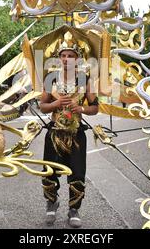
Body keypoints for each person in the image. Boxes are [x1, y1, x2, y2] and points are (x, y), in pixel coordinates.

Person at [39, 32, 99, 228]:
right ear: (59, 58)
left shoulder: (85, 79)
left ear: (77, 59)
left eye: (70, 55)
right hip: (55, 132)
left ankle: (74, 209)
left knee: (77, 172)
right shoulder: (50, 79)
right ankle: (51, 203)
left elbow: (95, 108)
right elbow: (42, 106)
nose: (66, 59)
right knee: (50, 171)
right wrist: (55, 103)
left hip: (76, 134)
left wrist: (80, 108)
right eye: (63, 55)